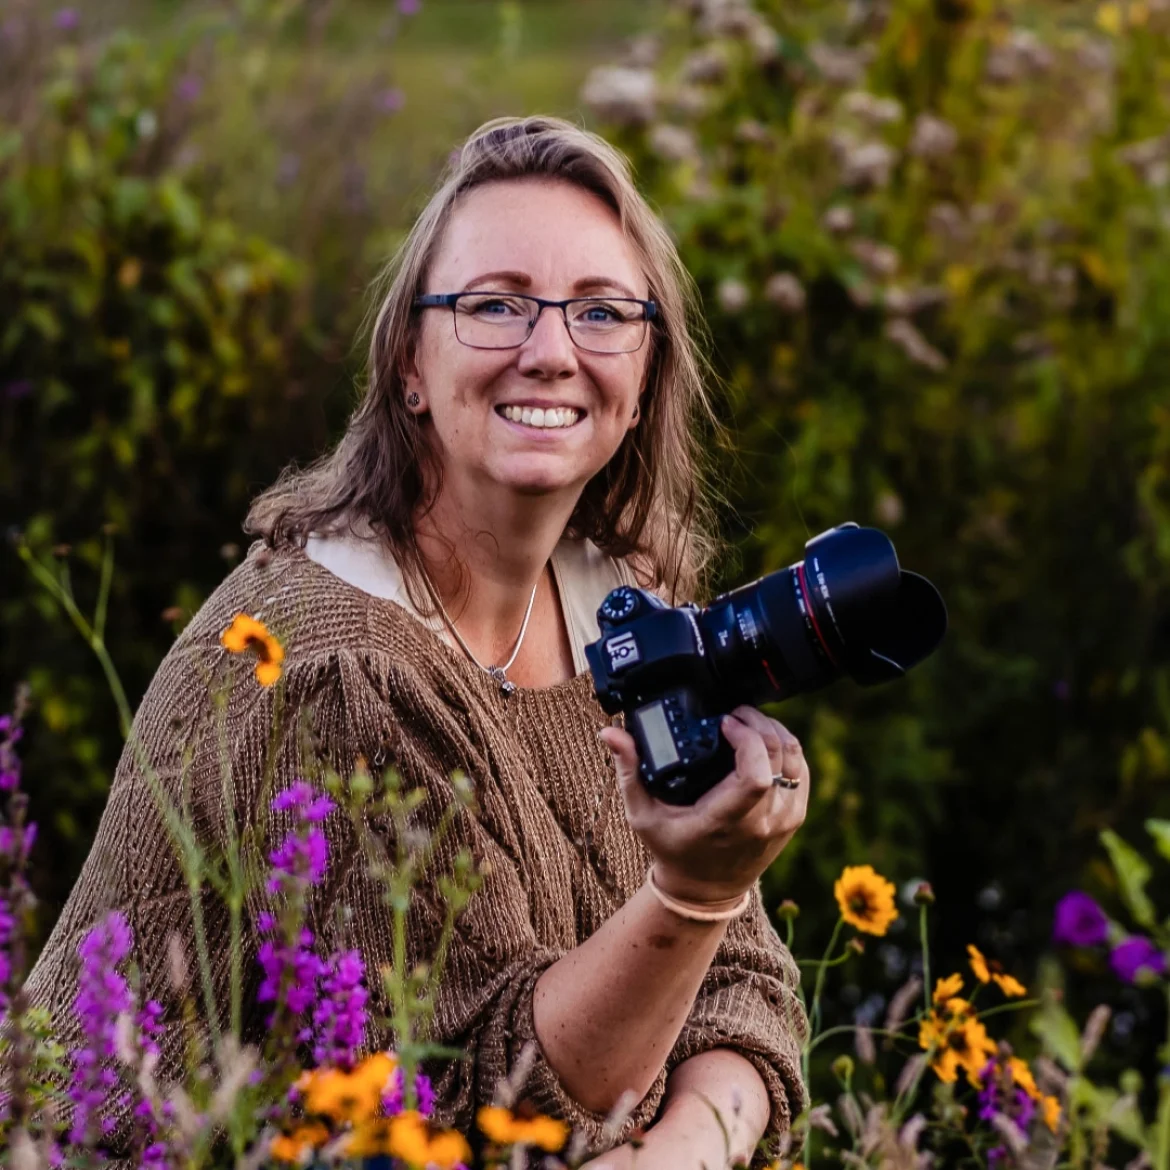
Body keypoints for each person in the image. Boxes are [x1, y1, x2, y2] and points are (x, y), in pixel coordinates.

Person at [25, 116, 809, 1168]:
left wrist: (685, 1154)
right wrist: (694, 892)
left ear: (645, 374)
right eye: (494, 306)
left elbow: (744, 989)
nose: (552, 351)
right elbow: (468, 1112)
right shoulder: (334, 665)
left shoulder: (624, 606)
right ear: (408, 365)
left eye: (601, 313)